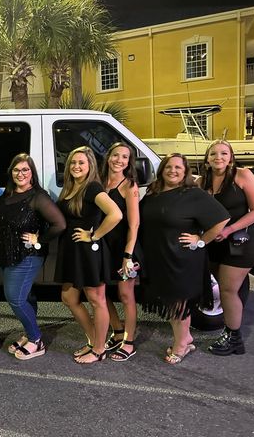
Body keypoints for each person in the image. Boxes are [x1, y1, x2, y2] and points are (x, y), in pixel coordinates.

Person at [139, 153, 229, 364]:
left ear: (185, 172)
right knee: (170, 301)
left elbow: (222, 218)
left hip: (182, 258)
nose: (173, 171)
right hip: (159, 257)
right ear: (161, 170)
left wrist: (201, 240)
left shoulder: (192, 194)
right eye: (169, 167)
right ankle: (185, 336)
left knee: (178, 301)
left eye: (178, 167)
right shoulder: (152, 193)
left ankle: (181, 344)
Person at [0, 153, 66, 360]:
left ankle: (36, 340)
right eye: (16, 170)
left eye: (25, 170)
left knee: (15, 298)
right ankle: (29, 332)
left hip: (28, 255)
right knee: (26, 296)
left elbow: (59, 224)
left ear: (32, 173)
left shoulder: (38, 197)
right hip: (9, 255)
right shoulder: (7, 196)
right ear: (11, 173)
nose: (21, 174)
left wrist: (39, 239)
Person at [55, 147, 122, 363]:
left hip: (88, 251)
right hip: (72, 251)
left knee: (96, 299)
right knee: (69, 297)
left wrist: (94, 236)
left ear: (90, 165)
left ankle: (99, 349)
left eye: (81, 163)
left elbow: (116, 214)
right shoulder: (70, 187)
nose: (76, 166)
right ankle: (94, 340)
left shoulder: (92, 187)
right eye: (73, 163)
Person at [199, 140, 254, 355]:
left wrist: (229, 230)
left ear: (231, 157)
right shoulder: (202, 182)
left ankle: (233, 337)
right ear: (207, 159)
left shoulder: (242, 175)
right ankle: (233, 334)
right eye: (214, 154)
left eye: (224, 153)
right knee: (230, 288)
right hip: (214, 244)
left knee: (228, 290)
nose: (219, 157)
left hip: (239, 242)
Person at [100, 143, 142, 361]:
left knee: (126, 295)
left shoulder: (129, 186)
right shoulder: (98, 182)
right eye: (116, 155)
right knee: (101, 293)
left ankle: (129, 341)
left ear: (129, 162)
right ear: (108, 157)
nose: (119, 160)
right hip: (102, 247)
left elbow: (134, 225)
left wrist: (128, 255)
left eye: (125, 157)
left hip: (125, 248)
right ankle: (117, 331)